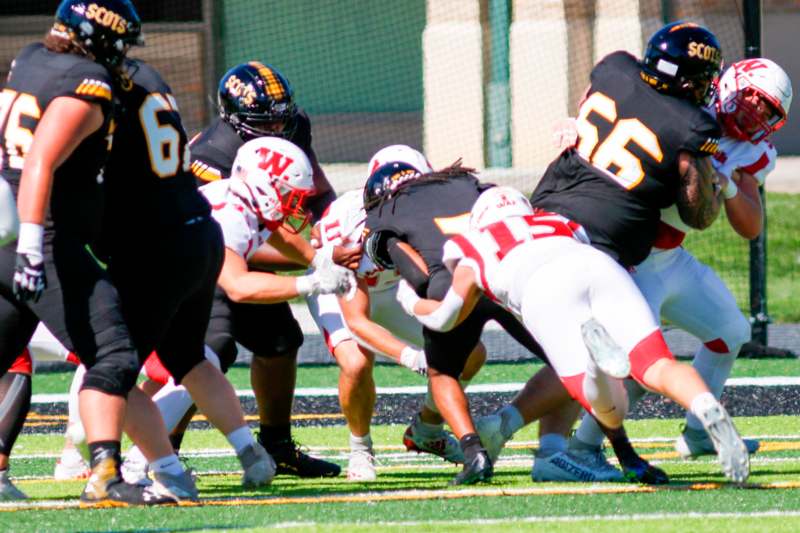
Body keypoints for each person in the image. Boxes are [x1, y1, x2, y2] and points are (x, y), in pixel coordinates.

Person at [397, 186, 750, 484]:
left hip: (542, 291)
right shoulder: (557, 221)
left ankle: (596, 366)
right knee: (656, 365)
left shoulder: (469, 245)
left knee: (598, 397)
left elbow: (444, 318)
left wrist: (411, 302)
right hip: (597, 266)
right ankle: (705, 405)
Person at [561, 57, 793, 475]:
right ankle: (582, 447)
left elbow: (751, 225)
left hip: (670, 256)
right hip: (632, 256)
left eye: (768, 112)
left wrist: (725, 187)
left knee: (731, 331)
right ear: (729, 84)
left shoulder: (752, 151)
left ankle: (698, 434)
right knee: (639, 362)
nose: (755, 114)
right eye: (756, 101)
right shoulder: (683, 106)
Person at [0, 0, 182, 505]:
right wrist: (34, 247)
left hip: (6, 231)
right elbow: (40, 161)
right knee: (113, 352)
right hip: (40, 238)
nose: (123, 57)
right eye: (120, 44)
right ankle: (104, 472)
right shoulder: (87, 83)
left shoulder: (32, 57)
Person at [119, 135, 354, 481]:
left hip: (193, 279)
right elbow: (239, 286)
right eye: (288, 194)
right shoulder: (230, 213)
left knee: (275, 340)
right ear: (266, 183)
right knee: (201, 360)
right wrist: (312, 283)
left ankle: (266, 448)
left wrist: (319, 258)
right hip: (165, 285)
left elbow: (275, 232)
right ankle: (142, 457)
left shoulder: (245, 199)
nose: (294, 206)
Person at [188, 62, 350, 477]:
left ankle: (276, 445)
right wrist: (314, 263)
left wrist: (330, 235)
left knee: (280, 341)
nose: (278, 131)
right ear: (236, 121)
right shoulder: (211, 157)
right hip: (200, 262)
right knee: (205, 352)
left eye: (283, 120)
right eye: (267, 123)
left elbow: (316, 193)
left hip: (247, 246)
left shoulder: (291, 126)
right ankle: (159, 452)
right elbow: (240, 250)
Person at [362, 159, 554, 485]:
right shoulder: (464, 183)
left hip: (451, 281)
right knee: (566, 357)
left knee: (442, 372)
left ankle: (473, 452)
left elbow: (419, 276)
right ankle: (588, 443)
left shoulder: (385, 212)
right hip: (509, 269)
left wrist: (419, 296)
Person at [307, 145, 465, 481]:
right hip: (338, 288)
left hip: (394, 288)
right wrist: (413, 357)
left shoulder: (435, 212)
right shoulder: (348, 222)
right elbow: (357, 320)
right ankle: (360, 448)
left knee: (469, 348)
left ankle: (428, 429)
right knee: (356, 362)